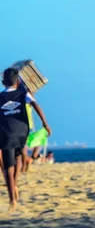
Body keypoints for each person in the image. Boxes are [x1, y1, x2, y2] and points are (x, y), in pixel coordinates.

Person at [1, 68, 52, 212]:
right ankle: (15, 185)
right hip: (22, 133)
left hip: (5, 135)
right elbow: (35, 104)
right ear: (17, 82)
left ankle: (12, 200)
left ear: (2, 82)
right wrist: (45, 123)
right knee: (18, 158)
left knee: (8, 170)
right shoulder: (23, 93)